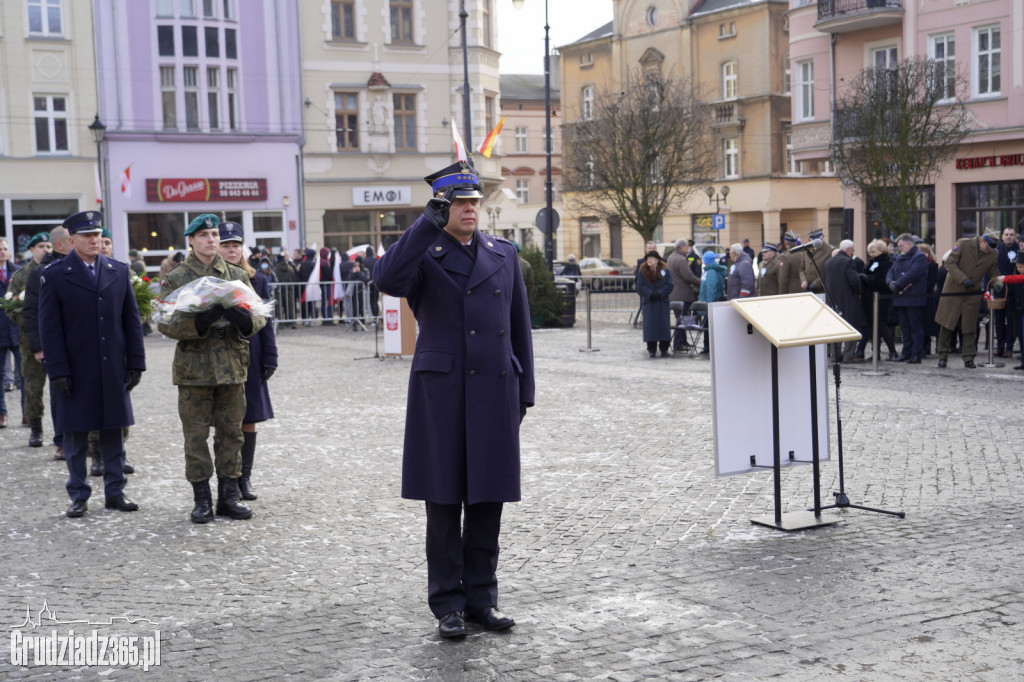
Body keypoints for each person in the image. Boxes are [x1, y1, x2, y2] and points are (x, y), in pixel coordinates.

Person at [373, 160, 535, 639]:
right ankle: (447, 603)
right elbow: (386, 280)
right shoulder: (423, 252)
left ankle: (482, 599)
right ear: (442, 207)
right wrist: (426, 222)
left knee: (488, 500)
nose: (470, 209)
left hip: (494, 390)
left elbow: (520, 329)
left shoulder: (502, 253)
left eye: (473, 201)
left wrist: (524, 391)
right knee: (444, 504)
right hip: (442, 395)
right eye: (459, 202)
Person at [157, 213, 266, 523]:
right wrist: (199, 322)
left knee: (232, 434)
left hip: (232, 365)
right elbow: (164, 321)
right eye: (204, 235)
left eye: (215, 235)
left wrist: (247, 321)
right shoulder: (177, 277)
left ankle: (229, 495)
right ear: (191, 240)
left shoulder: (235, 274)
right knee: (195, 436)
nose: (212, 240)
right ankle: (201, 498)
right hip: (194, 370)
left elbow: (258, 312)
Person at [38, 211, 145, 518]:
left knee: (113, 432)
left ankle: (115, 491)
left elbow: (131, 322)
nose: (94, 241)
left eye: (97, 235)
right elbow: (50, 328)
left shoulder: (118, 270)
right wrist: (57, 369)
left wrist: (135, 361)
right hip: (76, 368)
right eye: (87, 236)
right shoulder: (56, 275)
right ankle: (78, 494)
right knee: (75, 436)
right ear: (71, 241)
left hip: (112, 366)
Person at [217, 222, 278, 500]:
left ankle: (245, 479)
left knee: (249, 417)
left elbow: (266, 322)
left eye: (235, 245)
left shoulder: (257, 280)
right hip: (220, 356)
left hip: (251, 356)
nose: (231, 250)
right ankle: (229, 478)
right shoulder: (210, 280)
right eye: (226, 244)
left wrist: (270, 356)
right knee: (225, 420)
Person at [7, 232, 53, 449]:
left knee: (61, 388)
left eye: (48, 246)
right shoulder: (20, 276)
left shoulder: (54, 270)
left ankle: (62, 432)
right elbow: (9, 307)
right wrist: (27, 318)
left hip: (54, 339)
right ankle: (36, 429)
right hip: (29, 342)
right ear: (32, 249)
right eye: (42, 246)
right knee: (33, 388)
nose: (46, 250)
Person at [934, 231, 1000, 368]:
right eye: (987, 246)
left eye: (991, 248)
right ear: (981, 240)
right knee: (947, 324)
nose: (988, 250)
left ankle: (969, 357)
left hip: (972, 293)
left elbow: (994, 272)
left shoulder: (993, 254)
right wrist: (963, 279)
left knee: (970, 327)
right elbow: (950, 263)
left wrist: (998, 283)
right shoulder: (963, 244)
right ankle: (942, 355)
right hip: (953, 290)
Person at [887, 233, 930, 364]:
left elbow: (914, 273)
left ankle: (916, 354)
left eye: (900, 246)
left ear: (909, 244)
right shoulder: (900, 257)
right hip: (900, 297)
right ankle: (906, 353)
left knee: (915, 327)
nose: (899, 249)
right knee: (905, 327)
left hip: (913, 296)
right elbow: (891, 271)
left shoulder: (919, 257)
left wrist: (898, 284)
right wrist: (890, 283)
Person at [823, 240, 868, 362]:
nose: (852, 252)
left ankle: (834, 355)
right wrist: (859, 291)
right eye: (852, 250)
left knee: (835, 329)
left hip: (832, 300)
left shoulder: (828, 262)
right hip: (848, 299)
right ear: (848, 249)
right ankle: (848, 355)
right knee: (850, 327)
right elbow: (853, 280)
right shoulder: (848, 261)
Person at [856, 239, 899, 361]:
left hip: (880, 298)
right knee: (872, 326)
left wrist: (866, 278)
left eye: (873, 251)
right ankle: (876, 353)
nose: (871, 254)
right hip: (869, 298)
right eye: (870, 251)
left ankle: (892, 351)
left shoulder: (886, 262)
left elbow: (881, 280)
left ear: (881, 250)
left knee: (880, 325)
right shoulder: (871, 262)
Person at [0, 239, 21, 429]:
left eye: (5, 249)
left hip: (17, 329)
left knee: (23, 375)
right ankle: (2, 413)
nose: (2, 252)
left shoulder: (18, 271)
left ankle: (27, 413)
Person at [637, 250, 674, 357]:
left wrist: (660, 293)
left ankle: (664, 349)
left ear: (657, 260)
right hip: (649, 303)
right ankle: (651, 349)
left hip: (662, 302)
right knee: (650, 327)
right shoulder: (642, 271)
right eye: (648, 258)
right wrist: (650, 294)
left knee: (663, 326)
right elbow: (639, 286)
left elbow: (670, 284)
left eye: (652, 258)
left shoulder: (665, 270)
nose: (649, 260)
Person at [667, 240, 700, 351]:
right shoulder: (681, 259)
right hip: (682, 294)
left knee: (681, 319)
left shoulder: (672, 257)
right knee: (681, 320)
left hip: (674, 294)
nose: (689, 248)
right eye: (687, 246)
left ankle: (682, 341)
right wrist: (701, 282)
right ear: (681, 247)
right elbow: (688, 276)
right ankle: (678, 344)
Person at [994, 228, 1018, 358]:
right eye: (1006, 234)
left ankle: (1009, 347)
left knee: (1011, 320)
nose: (1009, 237)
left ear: (1015, 236)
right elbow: (990, 268)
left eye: (1011, 235)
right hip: (999, 288)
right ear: (1002, 237)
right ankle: (1000, 347)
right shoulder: (996, 250)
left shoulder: (1019, 250)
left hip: (1014, 290)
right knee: (999, 320)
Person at [697, 250, 727, 354]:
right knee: (707, 326)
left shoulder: (711, 272)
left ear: (706, 261)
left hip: (709, 304)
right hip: (709, 303)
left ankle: (708, 347)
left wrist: (707, 305)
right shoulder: (710, 270)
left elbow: (711, 289)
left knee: (708, 327)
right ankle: (707, 346)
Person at [800, 229, 833, 293]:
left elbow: (829, 272)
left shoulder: (829, 251)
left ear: (822, 237)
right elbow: (801, 268)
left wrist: (816, 284)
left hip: (822, 289)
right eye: (812, 240)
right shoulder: (806, 250)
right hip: (807, 289)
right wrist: (804, 280)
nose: (815, 243)